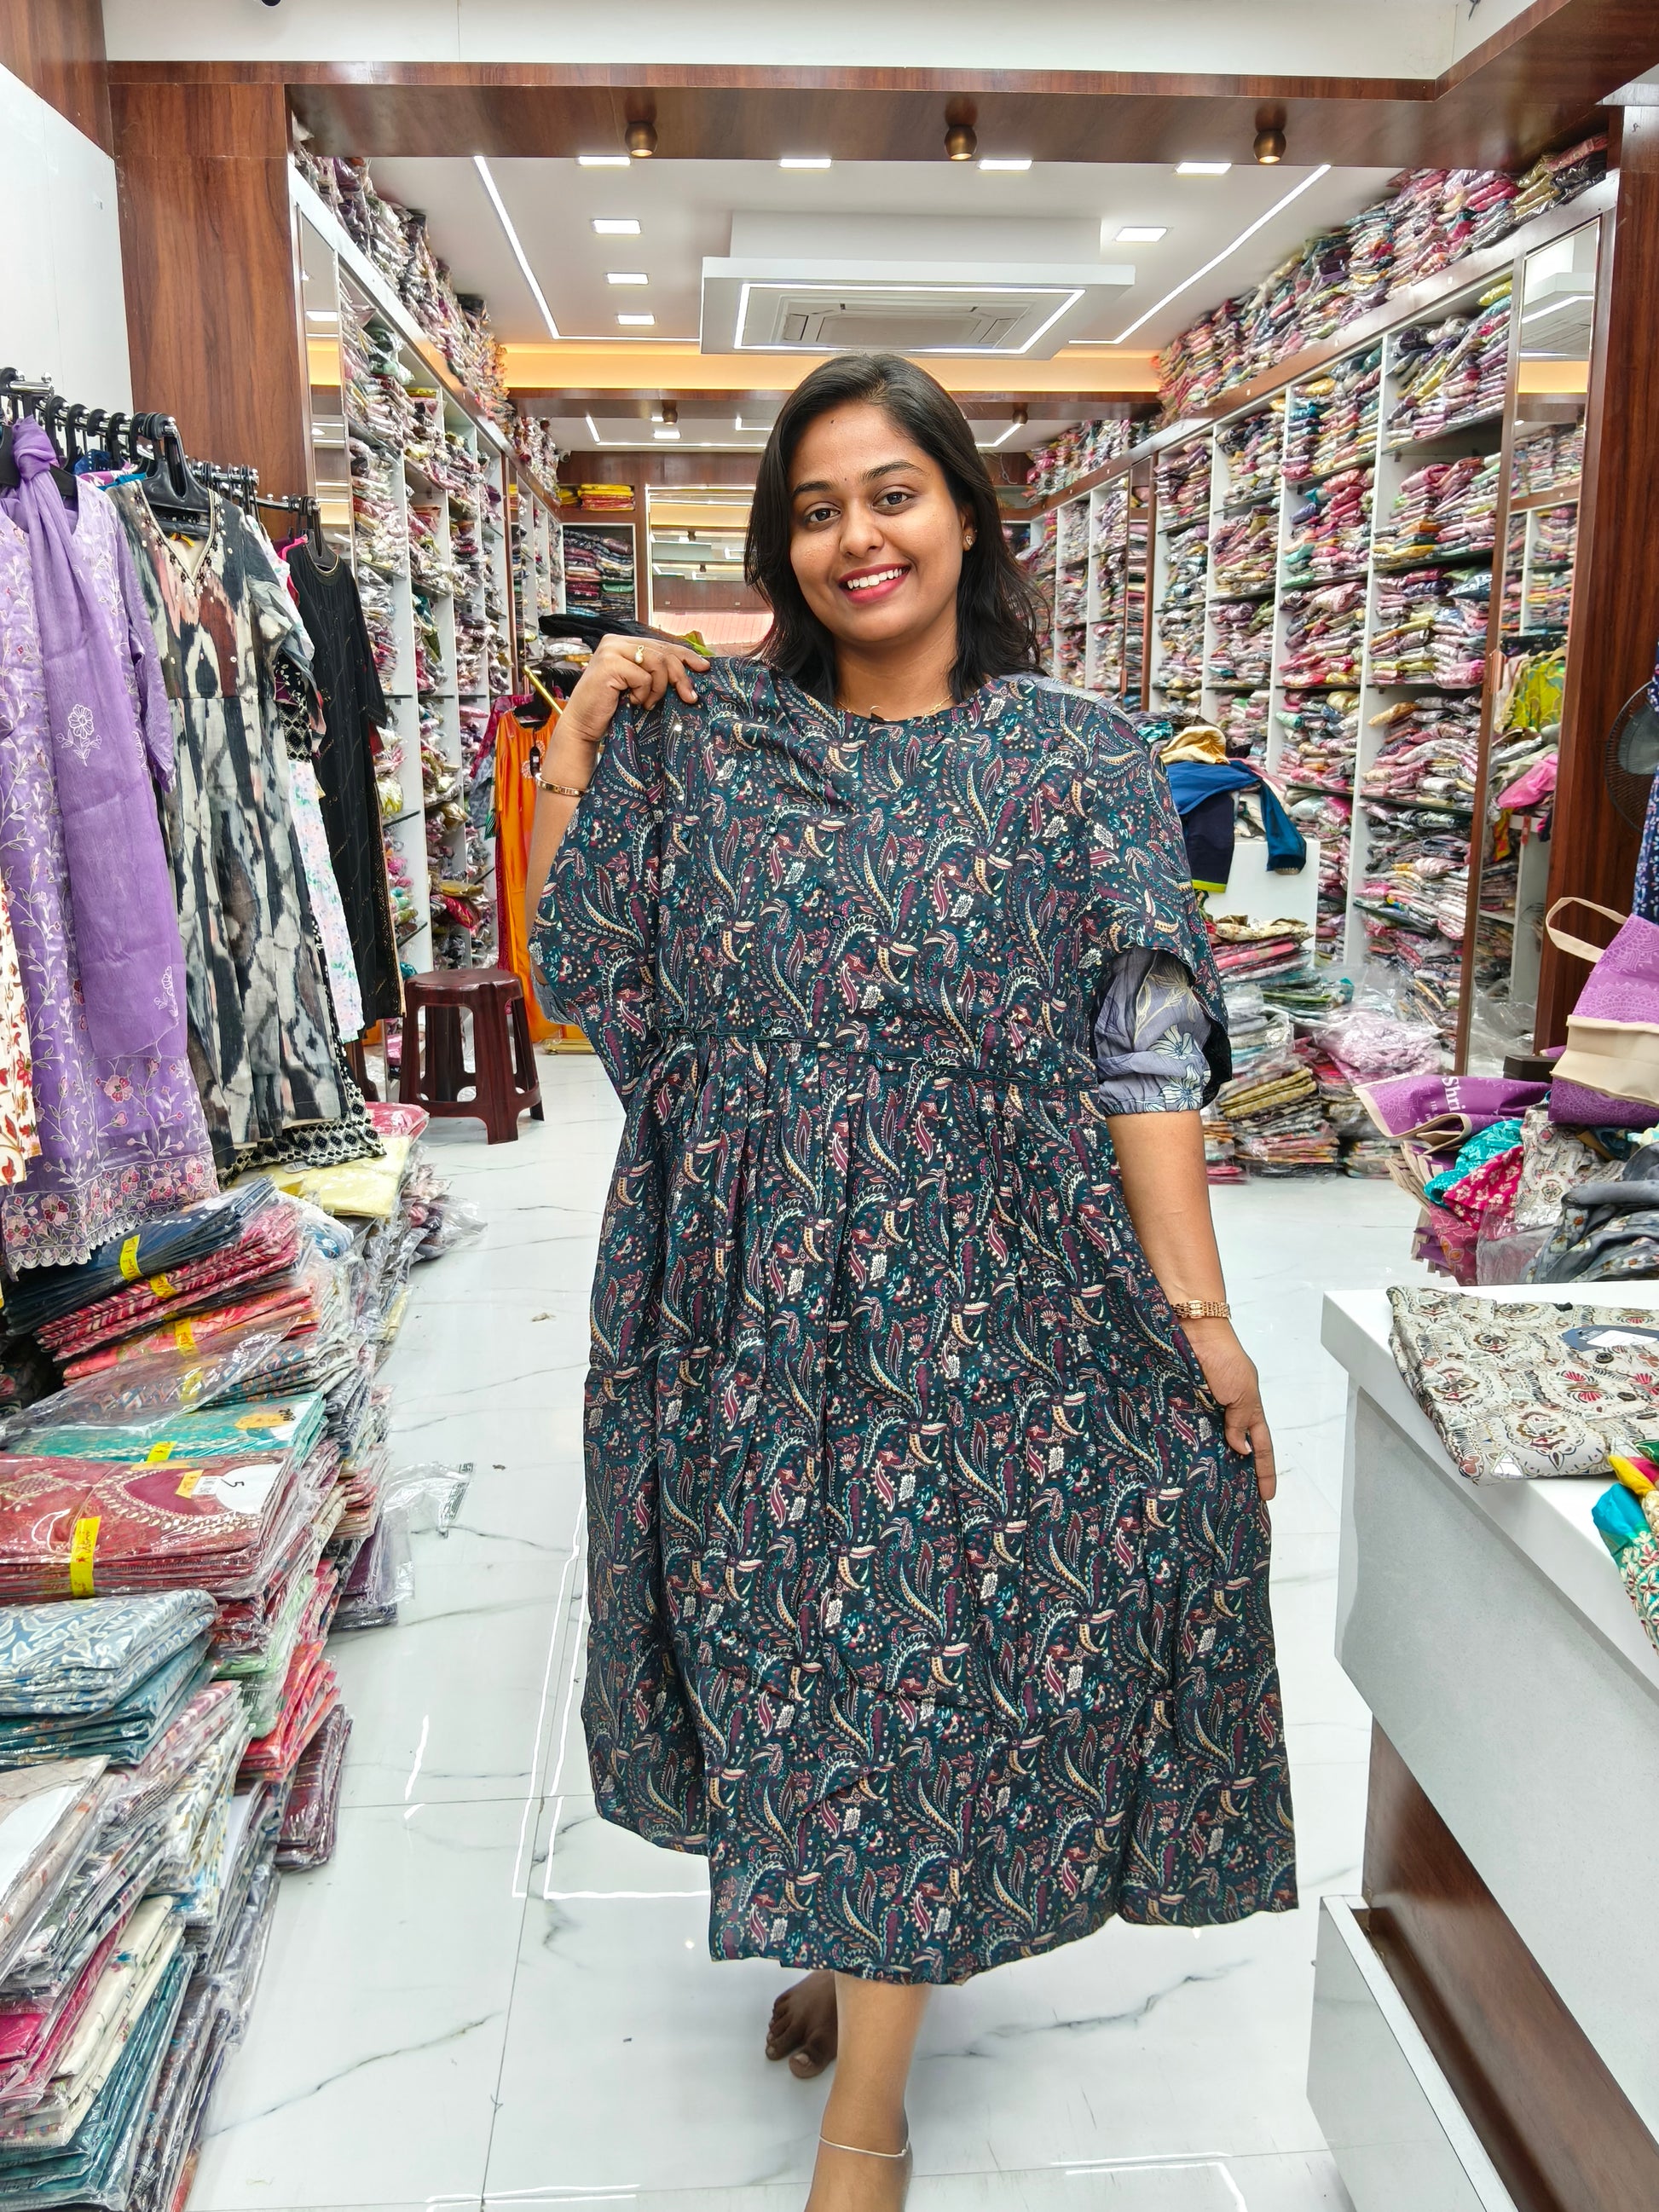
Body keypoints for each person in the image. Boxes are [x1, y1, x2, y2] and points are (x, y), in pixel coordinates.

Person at [526, 353, 1295, 2212]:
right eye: (814, 509)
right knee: (780, 1639)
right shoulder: (709, 742)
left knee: (917, 1656)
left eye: (891, 493)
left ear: (964, 510)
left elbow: (1144, 1052)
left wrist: (1201, 1323)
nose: (855, 537)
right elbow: (582, 957)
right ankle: (850, 1929)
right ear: (777, 547)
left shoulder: (1077, 756)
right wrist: (578, 735)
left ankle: (866, 2110)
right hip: (744, 1288)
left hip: (991, 1292)